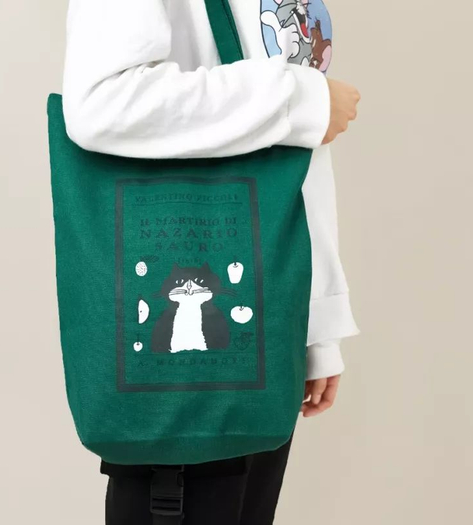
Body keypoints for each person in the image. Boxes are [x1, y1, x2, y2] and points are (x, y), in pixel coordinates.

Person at [61, 0, 361, 523]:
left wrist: (315, 323)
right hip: (182, 369)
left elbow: (284, 164)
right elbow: (100, 102)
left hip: (270, 321)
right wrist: (302, 98)